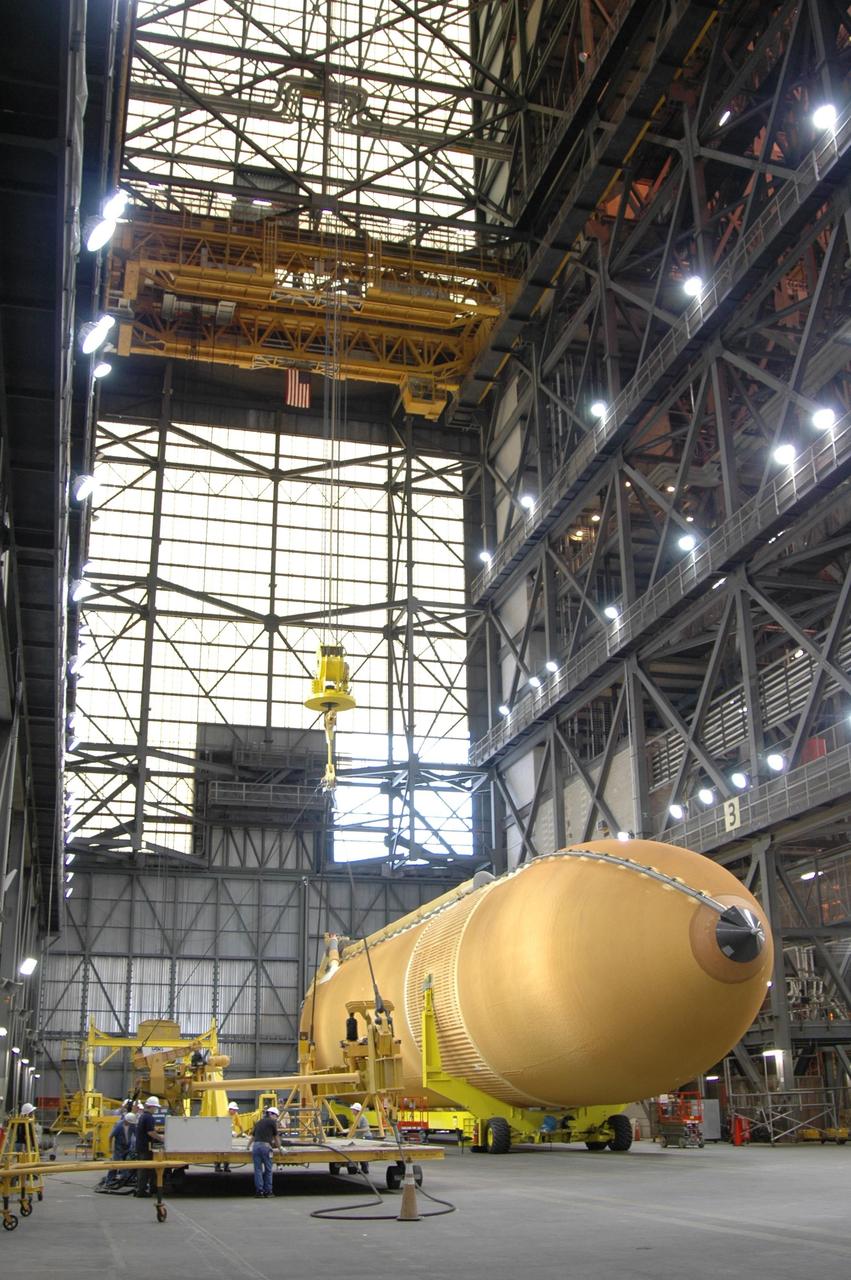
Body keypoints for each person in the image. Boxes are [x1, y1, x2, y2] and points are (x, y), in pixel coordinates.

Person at [134, 1096, 163, 1197]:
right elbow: (150, 1132)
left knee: (143, 1169)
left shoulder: (143, 1116)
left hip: (141, 1146)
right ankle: (142, 1191)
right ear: (152, 1107)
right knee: (145, 1169)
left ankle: (142, 1188)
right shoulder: (149, 1117)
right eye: (155, 1107)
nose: (156, 1109)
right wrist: (162, 1138)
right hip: (145, 1147)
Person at [248, 1105, 280, 1198]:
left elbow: (253, 1137)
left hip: (256, 1147)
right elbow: (276, 1137)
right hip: (266, 1147)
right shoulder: (272, 1122)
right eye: (276, 1116)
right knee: (268, 1170)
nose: (276, 1118)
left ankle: (259, 1192)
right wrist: (280, 1147)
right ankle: (268, 1191)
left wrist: (247, 1146)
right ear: (272, 1114)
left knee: (258, 1170)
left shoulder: (259, 1122)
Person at [105, 1111, 134, 1186]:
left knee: (126, 1163)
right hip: (119, 1147)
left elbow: (136, 1134)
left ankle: (125, 1178)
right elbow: (111, 1136)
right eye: (129, 1122)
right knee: (115, 1163)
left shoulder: (132, 1125)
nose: (130, 1123)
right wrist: (110, 1147)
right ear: (126, 1120)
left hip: (127, 1146)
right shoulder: (119, 1126)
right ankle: (109, 1180)